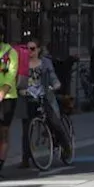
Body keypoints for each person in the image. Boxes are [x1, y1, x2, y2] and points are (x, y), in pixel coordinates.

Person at [20, 40, 67, 168]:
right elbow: (20, 79)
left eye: (33, 49)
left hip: (44, 96)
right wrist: (21, 88)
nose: (30, 52)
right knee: (26, 128)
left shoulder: (45, 62)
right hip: (29, 98)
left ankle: (66, 146)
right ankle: (25, 157)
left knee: (55, 121)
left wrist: (56, 85)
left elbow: (52, 76)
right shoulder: (23, 64)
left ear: (39, 49)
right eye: (27, 49)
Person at [0, 26, 19, 174]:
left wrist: (2, 92)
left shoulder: (10, 52)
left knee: (3, 131)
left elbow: (11, 74)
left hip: (7, 97)